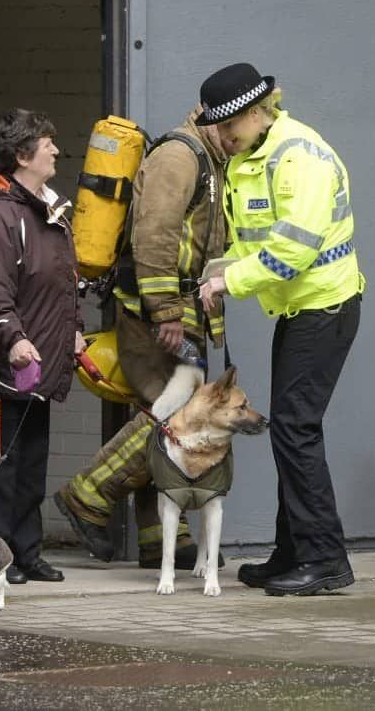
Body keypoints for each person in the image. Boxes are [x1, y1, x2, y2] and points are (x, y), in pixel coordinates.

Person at [198, 63, 364, 596]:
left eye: (229, 126)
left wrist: (231, 283)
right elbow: (255, 241)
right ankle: (293, 552)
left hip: (324, 305)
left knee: (296, 429)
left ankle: (324, 558)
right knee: (292, 431)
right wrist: (222, 269)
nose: (223, 137)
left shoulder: (299, 156)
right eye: (218, 129)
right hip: (297, 310)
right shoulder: (253, 157)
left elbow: (294, 249)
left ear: (256, 111)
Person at [54, 104, 228, 569]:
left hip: (178, 309)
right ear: (225, 120)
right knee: (170, 415)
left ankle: (159, 537)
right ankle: (88, 492)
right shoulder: (180, 156)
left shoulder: (209, 158)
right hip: (157, 315)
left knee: (165, 410)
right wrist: (166, 309)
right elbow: (155, 235)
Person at [0, 108, 85, 584]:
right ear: (23, 155)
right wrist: (14, 338)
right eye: (47, 142)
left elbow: (63, 282)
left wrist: (72, 328)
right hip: (1, 367)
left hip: (36, 365)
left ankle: (26, 554)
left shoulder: (48, 211)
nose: (54, 150)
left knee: (29, 467)